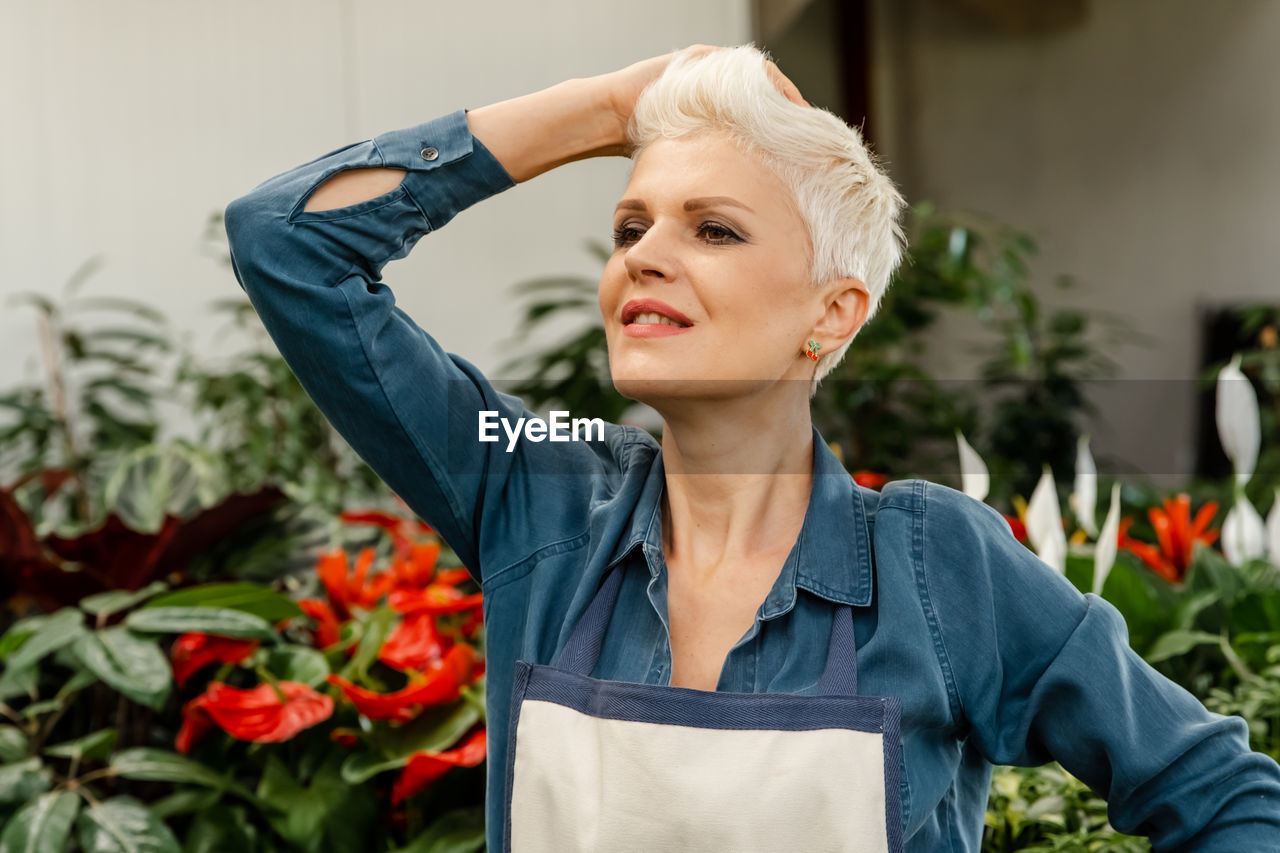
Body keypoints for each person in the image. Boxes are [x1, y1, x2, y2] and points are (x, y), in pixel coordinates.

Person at [223, 44, 1280, 852]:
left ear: (830, 314)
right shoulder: (538, 501)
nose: (645, 259)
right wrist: (607, 109)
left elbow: (1226, 802)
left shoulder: (934, 567)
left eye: (712, 229)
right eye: (629, 228)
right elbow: (288, 243)